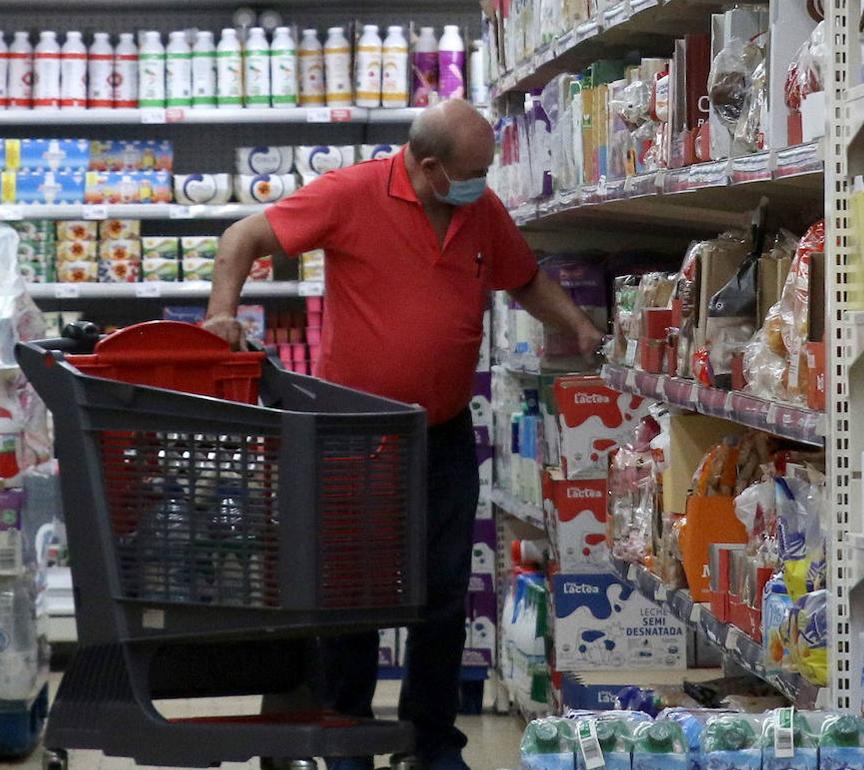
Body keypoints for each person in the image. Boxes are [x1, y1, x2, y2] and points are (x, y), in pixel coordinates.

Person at [203, 99, 602, 770]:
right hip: (351, 438)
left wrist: (578, 325)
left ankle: (430, 741)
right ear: (430, 166)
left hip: (440, 434)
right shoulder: (352, 193)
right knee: (353, 593)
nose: (485, 182)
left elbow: (524, 279)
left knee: (443, 594)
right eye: (475, 170)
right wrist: (220, 314)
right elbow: (241, 237)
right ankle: (347, 734)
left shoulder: (479, 211)